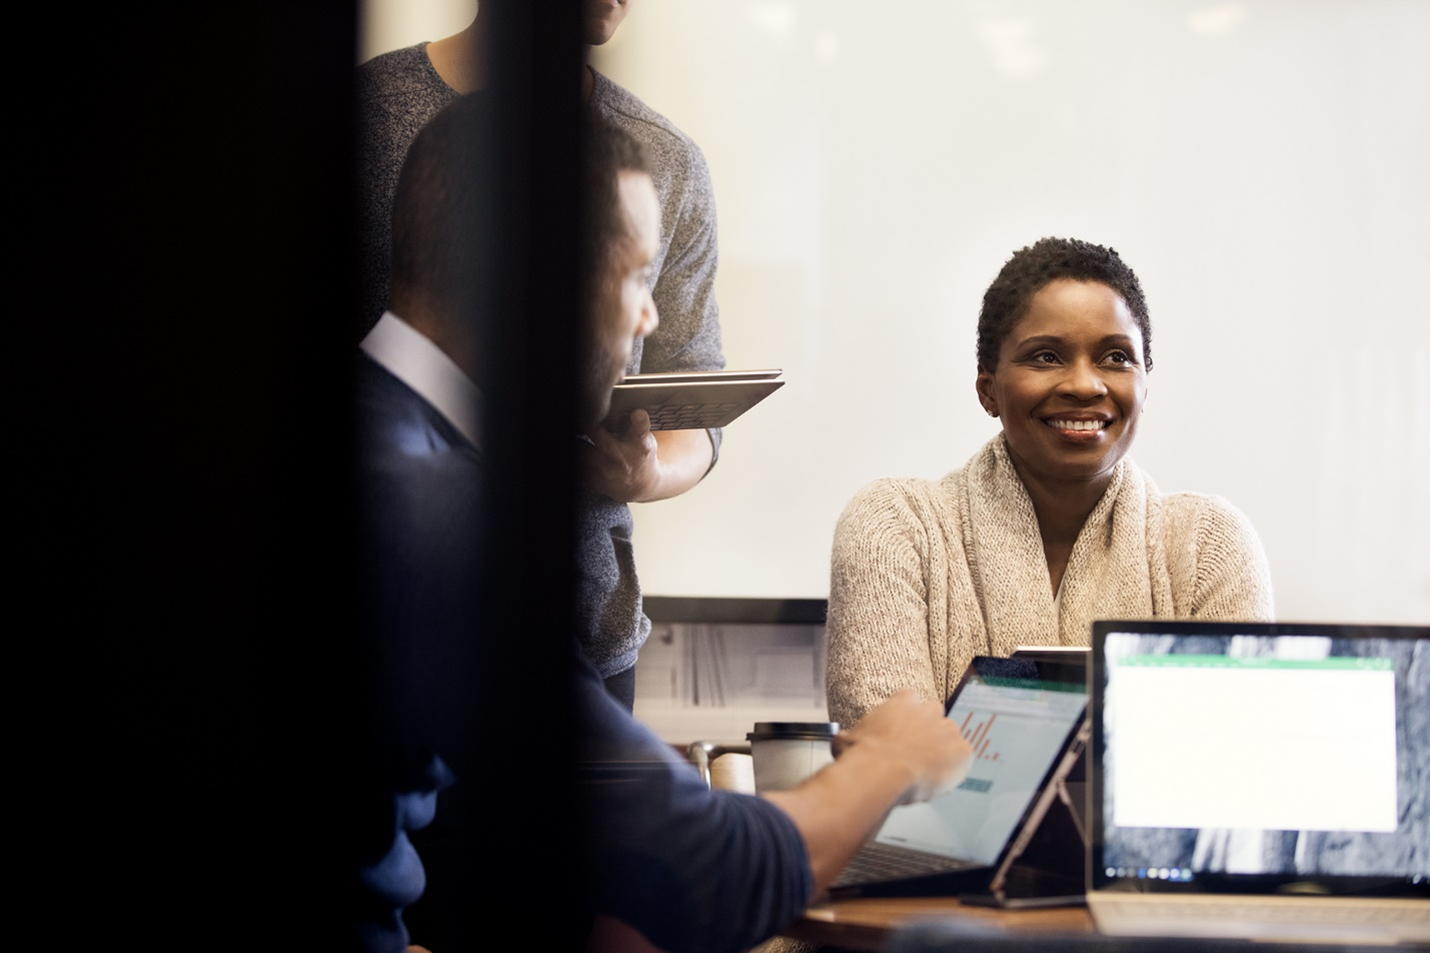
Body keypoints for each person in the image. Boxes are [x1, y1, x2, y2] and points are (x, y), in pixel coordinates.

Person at [354, 93, 974, 953]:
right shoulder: (447, 518)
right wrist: (890, 759)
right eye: (639, 277)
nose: (648, 321)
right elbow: (716, 875)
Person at [358, 1, 724, 707]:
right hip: (391, 608)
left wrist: (641, 473)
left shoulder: (666, 161)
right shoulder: (367, 116)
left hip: (583, 633)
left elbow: (696, 400)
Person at [825, 238, 1275, 728]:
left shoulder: (1208, 543)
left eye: (1116, 358)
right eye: (1045, 357)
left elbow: (1230, 753)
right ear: (988, 390)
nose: (1085, 384)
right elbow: (887, 768)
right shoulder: (897, 526)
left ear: (1146, 385)